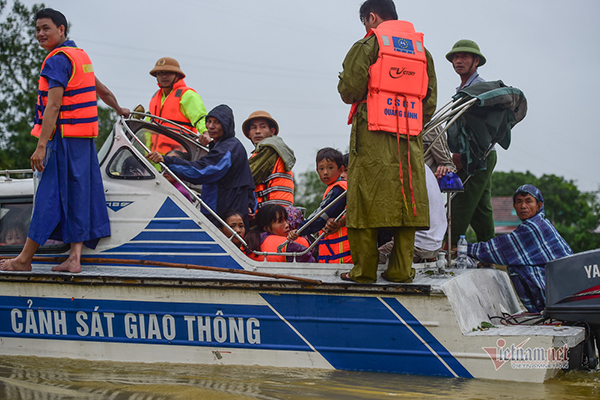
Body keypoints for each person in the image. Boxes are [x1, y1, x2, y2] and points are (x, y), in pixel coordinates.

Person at [0, 8, 129, 273]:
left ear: (62, 29)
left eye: (45, 28)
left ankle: (24, 259)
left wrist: (41, 145)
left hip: (63, 139)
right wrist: (120, 109)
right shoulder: (79, 56)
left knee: (48, 197)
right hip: (83, 142)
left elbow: (54, 106)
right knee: (79, 196)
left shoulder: (56, 60)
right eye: (37, 29)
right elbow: (102, 91)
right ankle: (74, 258)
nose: (40, 34)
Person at [337, 0, 437, 282]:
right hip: (409, 143)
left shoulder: (368, 46)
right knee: (407, 203)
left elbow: (350, 90)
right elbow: (429, 104)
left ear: (371, 17)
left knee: (364, 200)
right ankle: (401, 270)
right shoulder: (422, 53)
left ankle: (364, 270)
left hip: (372, 140)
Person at [146, 104, 256, 231]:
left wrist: (167, 160)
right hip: (224, 209)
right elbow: (248, 180)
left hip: (226, 211)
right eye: (208, 121)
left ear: (227, 124)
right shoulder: (223, 146)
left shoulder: (229, 148)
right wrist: (250, 204)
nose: (210, 126)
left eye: (217, 122)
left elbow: (203, 171)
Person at [467, 185, 573, 313]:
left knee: (517, 266)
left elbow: (498, 249)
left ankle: (543, 308)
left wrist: (463, 248)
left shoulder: (534, 227)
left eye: (528, 201)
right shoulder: (538, 223)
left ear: (539, 206)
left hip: (561, 292)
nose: (523, 206)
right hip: (563, 291)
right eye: (519, 202)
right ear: (514, 206)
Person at [445, 39, 496, 246]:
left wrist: (458, 153)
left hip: (475, 156)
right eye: (456, 57)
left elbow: (474, 128)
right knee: (481, 206)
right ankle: (489, 251)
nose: (459, 61)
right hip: (481, 156)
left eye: (464, 56)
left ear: (476, 61)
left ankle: (449, 249)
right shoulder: (464, 88)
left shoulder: (478, 89)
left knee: (461, 203)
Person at [288, 148, 351, 264]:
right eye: (321, 169)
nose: (325, 172)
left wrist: (300, 229)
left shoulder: (339, 189)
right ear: (317, 171)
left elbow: (322, 216)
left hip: (342, 257)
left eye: (330, 168)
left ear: (340, 170)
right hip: (336, 255)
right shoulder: (335, 188)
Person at [378, 165, 447, 263]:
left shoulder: (399, 169)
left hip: (416, 245)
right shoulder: (423, 166)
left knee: (368, 262)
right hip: (435, 244)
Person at [148, 57, 210, 151]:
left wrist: (206, 133)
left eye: (168, 72)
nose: (164, 76)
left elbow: (200, 118)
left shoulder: (187, 95)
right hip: (152, 155)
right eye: (160, 73)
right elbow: (147, 124)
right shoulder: (155, 96)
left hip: (179, 155)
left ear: (177, 76)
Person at [242, 111, 295, 209]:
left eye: (263, 127)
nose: (258, 131)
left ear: (272, 131)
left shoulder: (269, 148)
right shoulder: (266, 150)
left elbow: (247, 176)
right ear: (249, 133)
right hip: (278, 212)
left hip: (271, 214)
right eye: (254, 128)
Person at [245, 204, 315, 263]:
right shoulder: (290, 246)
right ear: (266, 227)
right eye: (280, 221)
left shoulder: (247, 242)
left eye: (286, 220)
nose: (287, 225)